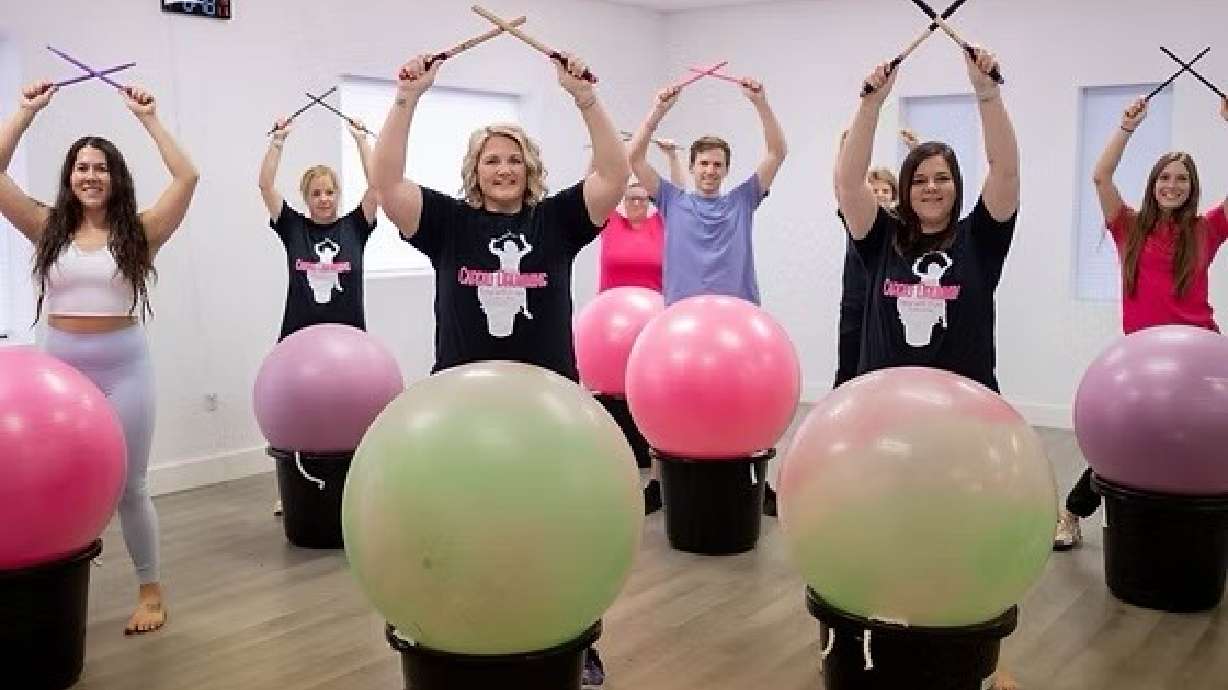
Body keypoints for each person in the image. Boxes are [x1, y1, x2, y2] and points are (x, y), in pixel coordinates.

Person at [370, 50, 629, 689]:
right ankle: (467, 620)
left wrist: (585, 98)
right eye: (492, 159)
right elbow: (386, 181)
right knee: (464, 525)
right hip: (462, 411)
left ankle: (576, 635)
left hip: (547, 411)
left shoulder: (558, 221)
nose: (504, 167)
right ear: (475, 172)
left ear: (530, 168)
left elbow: (615, 175)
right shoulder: (448, 224)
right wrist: (406, 98)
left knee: (560, 529)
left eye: (514, 158)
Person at [836, 49, 1020, 690]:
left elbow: (1006, 167)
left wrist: (985, 93)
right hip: (884, 423)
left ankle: (957, 654)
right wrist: (871, 103)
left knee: (954, 537)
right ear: (907, 190)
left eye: (943, 178)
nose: (932, 188)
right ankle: (865, 639)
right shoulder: (878, 238)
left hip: (964, 426)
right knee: (878, 531)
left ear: (956, 185)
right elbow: (848, 180)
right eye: (921, 179)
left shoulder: (981, 238)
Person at [0, 80, 198, 635]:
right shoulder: (46, 228)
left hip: (123, 367)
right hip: (61, 371)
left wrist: (149, 118)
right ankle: (51, 565)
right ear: (69, 178)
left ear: (115, 178)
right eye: (81, 167)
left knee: (131, 485)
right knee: (47, 475)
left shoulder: (140, 233)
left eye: (101, 168)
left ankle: (151, 589)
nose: (90, 175)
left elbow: (188, 178)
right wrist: (25, 112)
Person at [1054, 95, 1228, 550]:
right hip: (1144, 364)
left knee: (1207, 446)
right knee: (1124, 447)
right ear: (1153, 185)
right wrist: (1127, 127)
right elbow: (1100, 175)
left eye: (1182, 179)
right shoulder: (1128, 226)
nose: (1173, 186)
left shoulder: (1206, 229)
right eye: (1165, 178)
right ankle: (1072, 514)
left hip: (1198, 362)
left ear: (1193, 187)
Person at [627, 74, 787, 515]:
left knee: (751, 402)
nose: (711, 172)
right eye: (704, 164)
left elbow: (777, 152)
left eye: (718, 165)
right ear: (693, 166)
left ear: (726, 170)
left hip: (739, 326)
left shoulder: (742, 200)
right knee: (669, 403)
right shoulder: (672, 200)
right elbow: (634, 157)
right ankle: (659, 483)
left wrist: (761, 102)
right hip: (680, 325)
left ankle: (761, 482)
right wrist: (658, 109)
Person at [258, 116, 377, 341]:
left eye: (329, 192)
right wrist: (277, 141)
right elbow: (265, 186)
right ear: (306, 198)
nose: (324, 199)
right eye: (316, 193)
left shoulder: (355, 226)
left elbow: (376, 185)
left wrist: (361, 140)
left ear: (337, 194)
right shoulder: (293, 227)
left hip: (348, 341)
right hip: (299, 340)